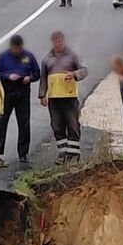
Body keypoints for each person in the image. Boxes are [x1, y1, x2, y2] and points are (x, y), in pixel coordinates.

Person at [38, 31, 88, 164]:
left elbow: (84, 70)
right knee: (57, 126)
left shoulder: (72, 56)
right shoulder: (47, 58)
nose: (58, 44)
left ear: (63, 41)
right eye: (55, 41)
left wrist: (74, 74)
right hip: (54, 98)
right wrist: (42, 94)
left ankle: (74, 154)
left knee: (72, 125)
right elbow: (43, 77)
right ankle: (62, 153)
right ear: (52, 42)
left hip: (69, 97)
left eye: (60, 41)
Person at [0, 34, 41, 164]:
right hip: (8, 93)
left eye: (19, 49)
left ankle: (23, 153)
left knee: (24, 124)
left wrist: (30, 78)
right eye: (15, 49)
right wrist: (8, 76)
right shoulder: (3, 57)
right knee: (2, 122)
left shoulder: (28, 56)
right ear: (11, 47)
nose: (17, 51)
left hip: (23, 92)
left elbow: (36, 73)